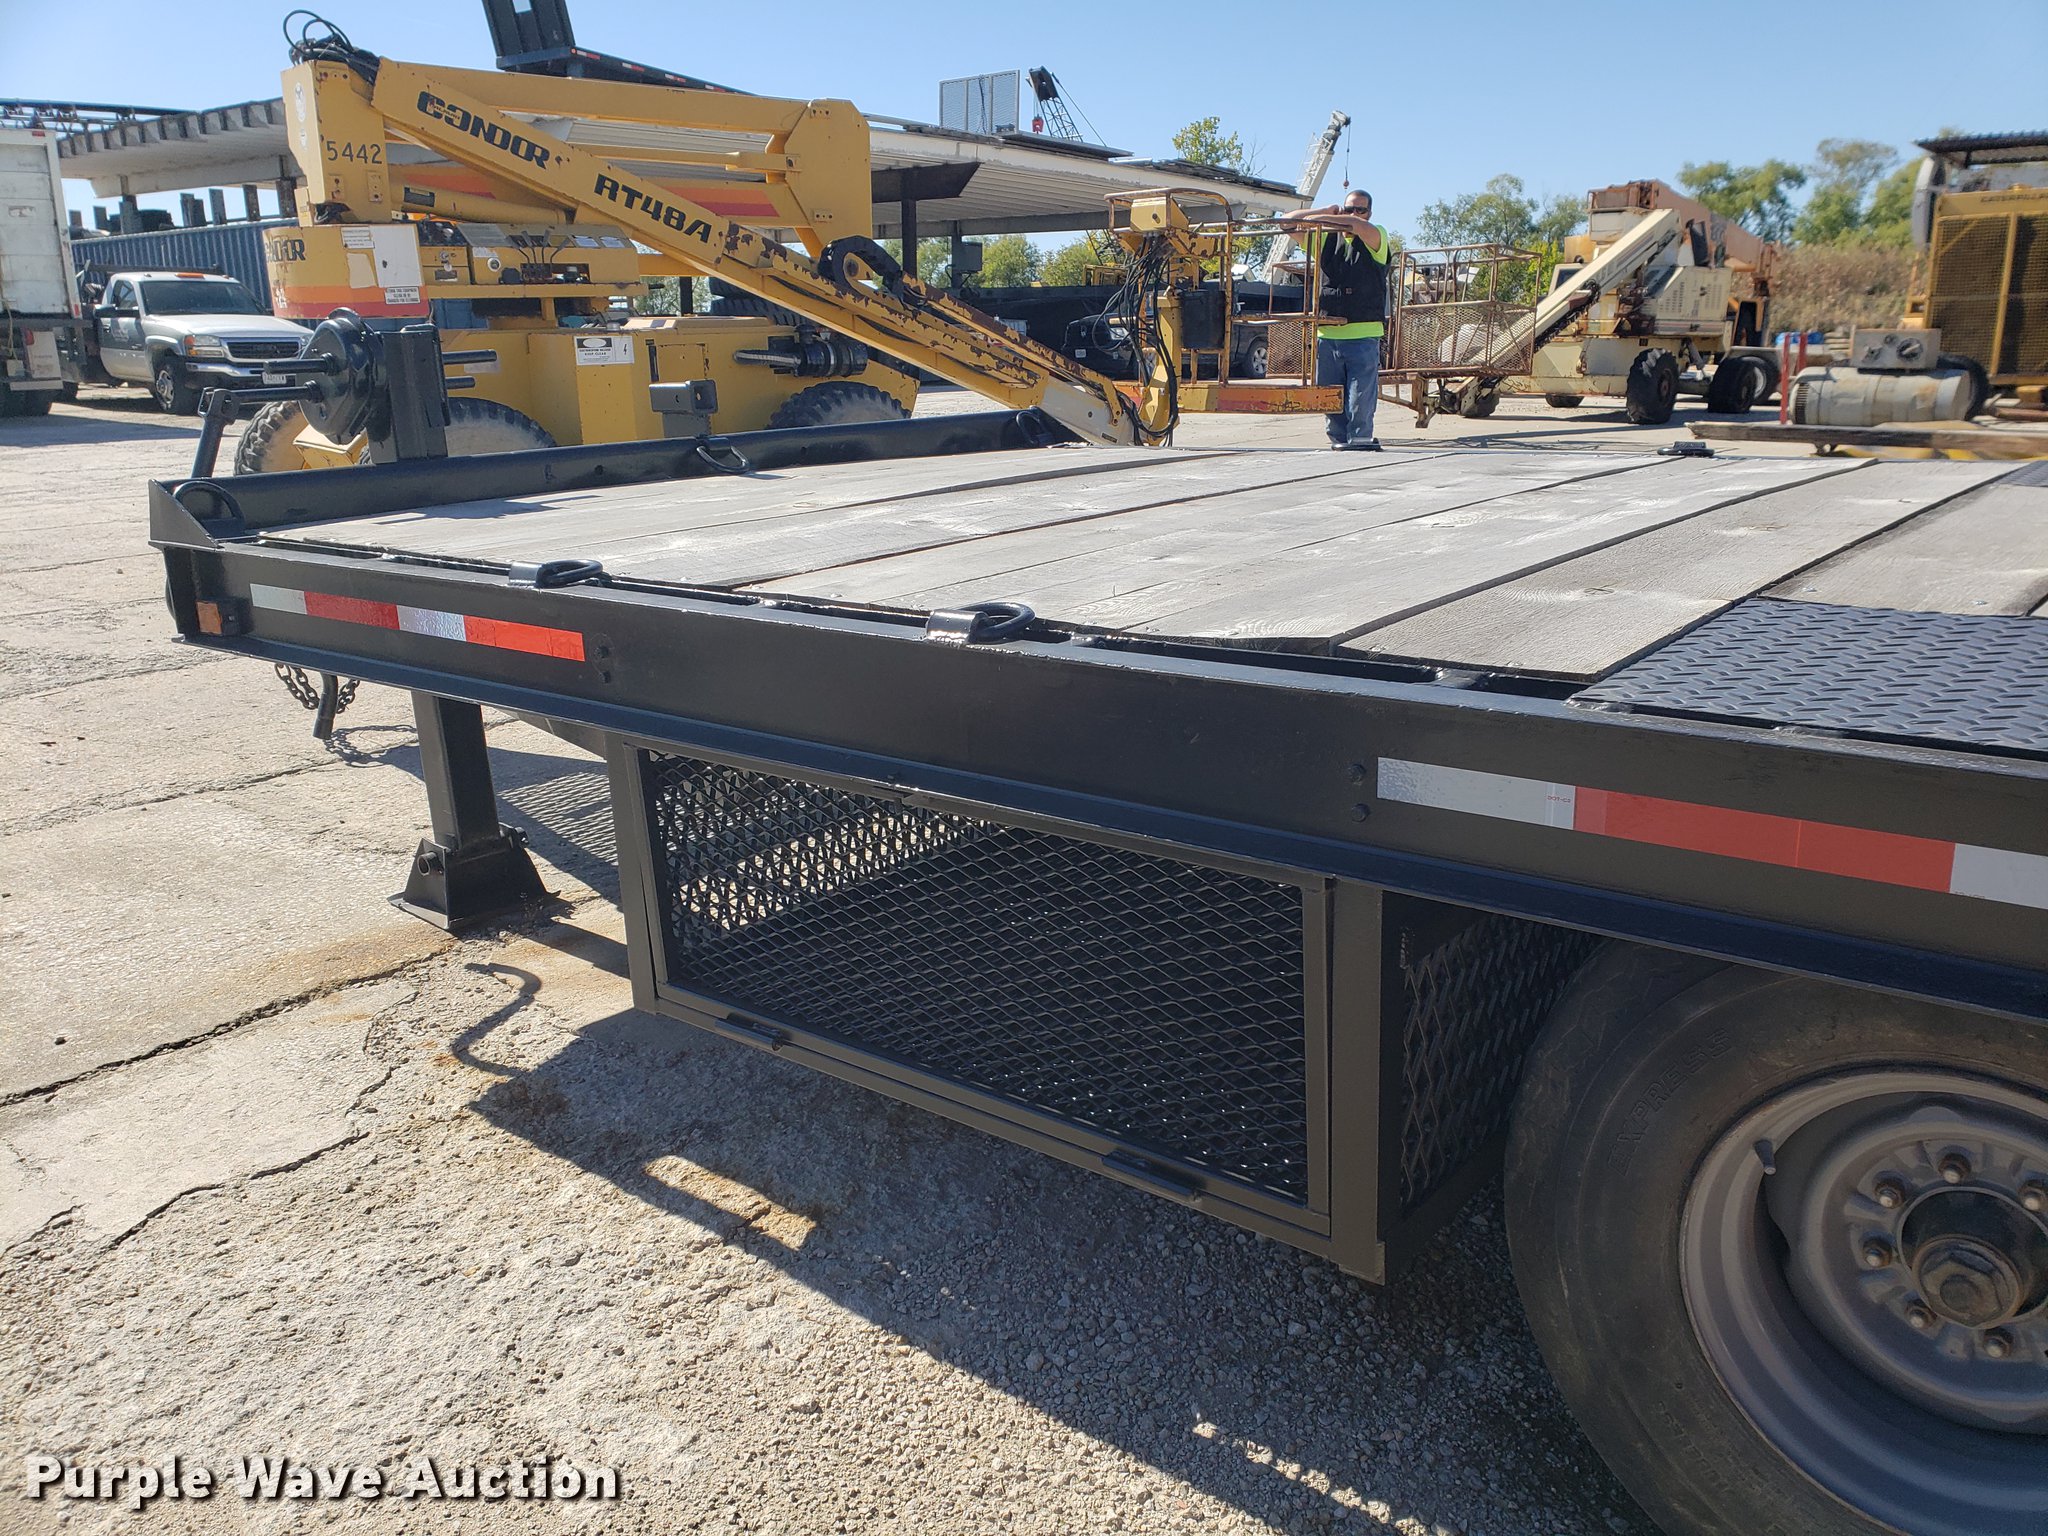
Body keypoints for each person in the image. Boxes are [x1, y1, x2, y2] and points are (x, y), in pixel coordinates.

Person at [1276, 190, 1390, 450]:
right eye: (1349, 209)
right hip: (1328, 337)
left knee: (1359, 398)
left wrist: (1333, 218)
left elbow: (1357, 226)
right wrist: (1323, 210)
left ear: (1369, 213)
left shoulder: (1376, 236)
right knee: (1330, 397)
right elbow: (1286, 222)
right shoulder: (1325, 238)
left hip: (1363, 334)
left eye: (1360, 210)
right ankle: (1338, 443)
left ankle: (1360, 442)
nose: (1354, 215)